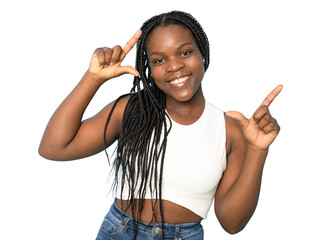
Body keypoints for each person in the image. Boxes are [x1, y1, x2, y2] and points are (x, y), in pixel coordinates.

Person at [38, 10, 282, 240]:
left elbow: (232, 223)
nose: (174, 66)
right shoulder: (133, 110)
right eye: (159, 59)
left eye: (185, 52)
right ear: (150, 69)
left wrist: (259, 150)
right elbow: (54, 147)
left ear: (203, 55)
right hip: (119, 231)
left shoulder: (230, 130)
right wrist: (92, 78)